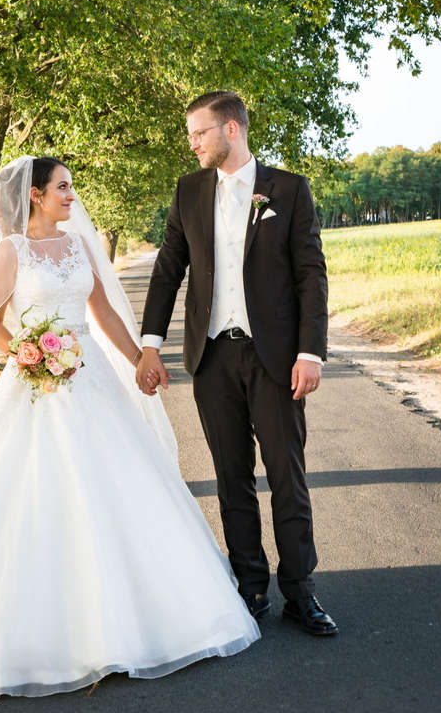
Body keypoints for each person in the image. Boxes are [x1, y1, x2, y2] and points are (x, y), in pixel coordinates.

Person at [0, 155, 259, 701]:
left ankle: (134, 623)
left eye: (71, 187)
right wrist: (30, 356)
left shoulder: (78, 245)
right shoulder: (11, 250)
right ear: (35, 195)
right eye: (62, 187)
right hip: (35, 384)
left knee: (119, 488)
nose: (71, 196)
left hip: (90, 377)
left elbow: (102, 313)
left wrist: (139, 359)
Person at [137, 91, 338, 636]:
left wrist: (310, 352)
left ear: (231, 129)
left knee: (287, 476)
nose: (192, 143)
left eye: (199, 132)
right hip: (212, 358)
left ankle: (301, 593)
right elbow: (168, 269)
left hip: (275, 358)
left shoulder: (288, 189)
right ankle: (251, 589)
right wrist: (150, 344)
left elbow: (311, 275)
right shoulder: (188, 190)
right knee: (231, 478)